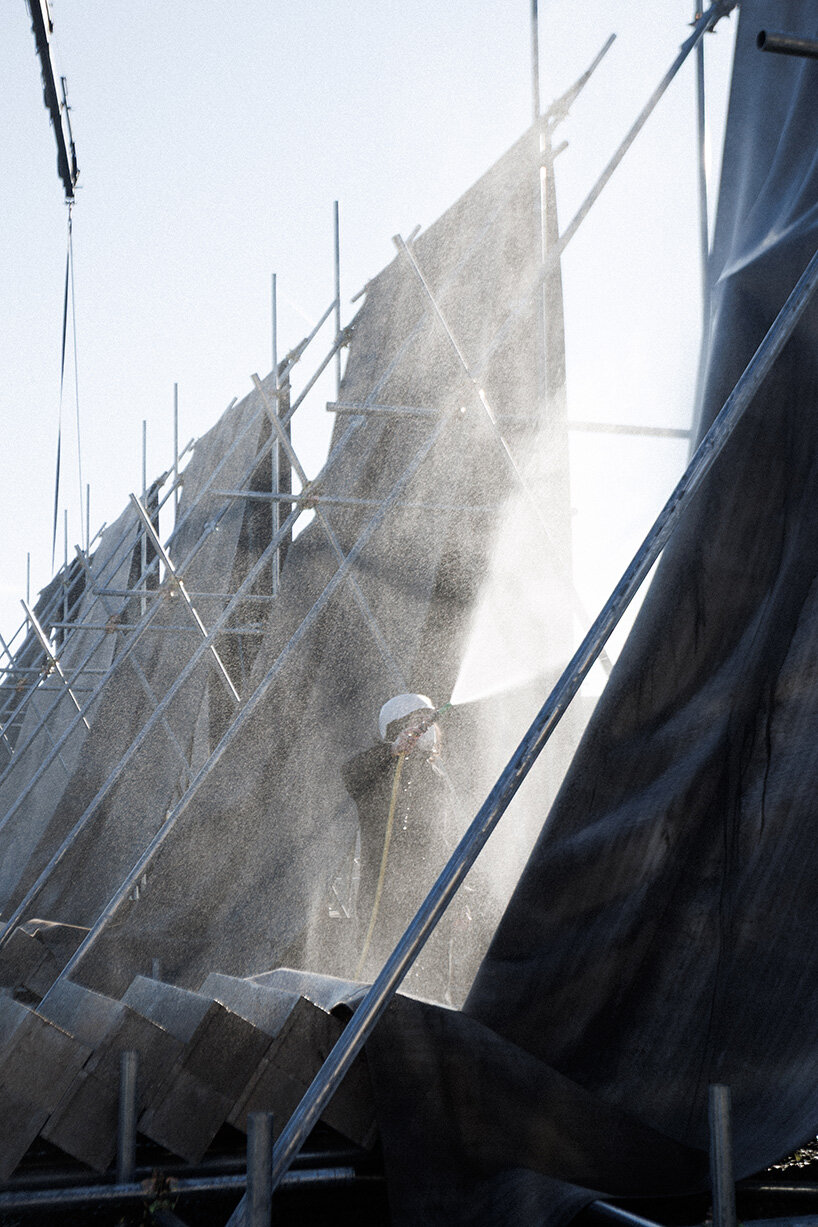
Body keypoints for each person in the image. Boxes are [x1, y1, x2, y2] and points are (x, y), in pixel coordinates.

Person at [340, 693, 470, 1003]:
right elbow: (350, 773)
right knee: (377, 977)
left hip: (429, 898)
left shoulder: (438, 780)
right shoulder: (377, 775)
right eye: (417, 721)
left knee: (432, 987)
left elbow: (447, 842)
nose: (427, 728)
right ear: (396, 728)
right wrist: (390, 752)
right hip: (382, 899)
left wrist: (458, 898)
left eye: (429, 721)